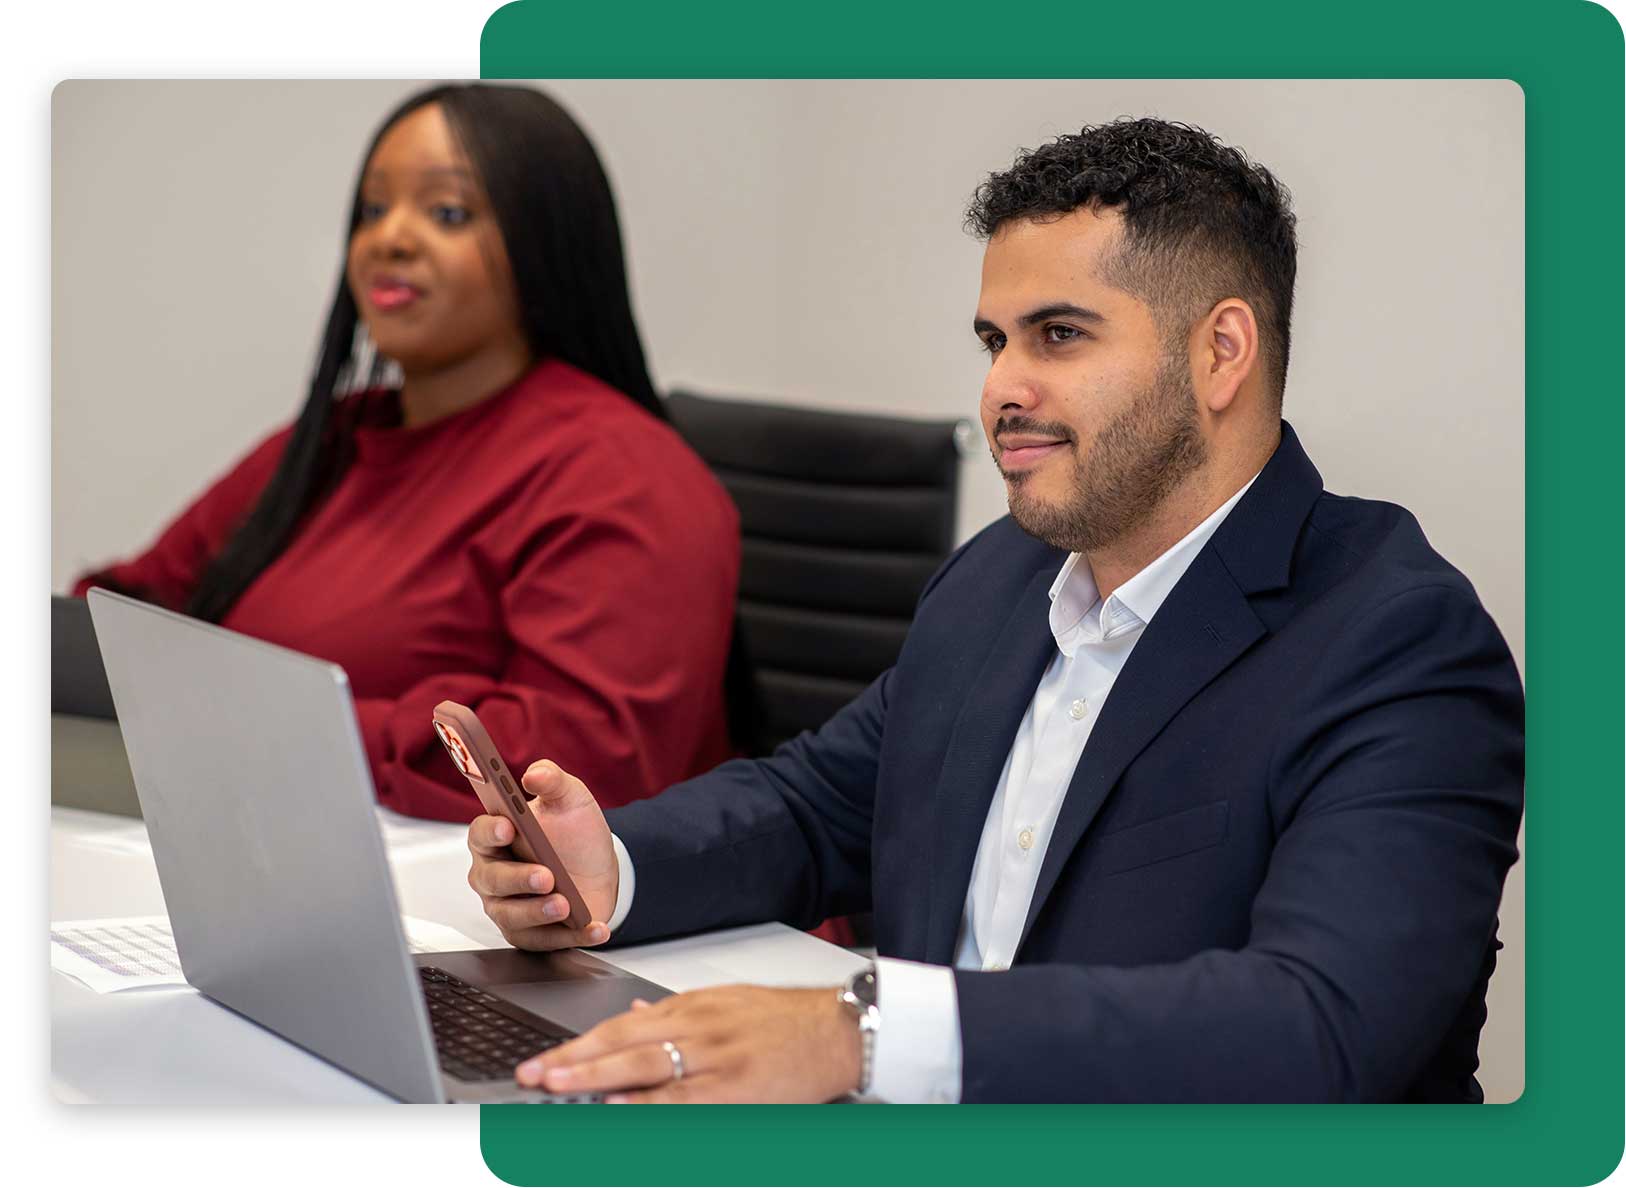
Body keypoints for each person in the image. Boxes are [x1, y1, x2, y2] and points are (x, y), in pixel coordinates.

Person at [464, 118, 1525, 1103]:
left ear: (1221, 353)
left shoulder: (1400, 643)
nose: (1002, 389)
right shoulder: (1000, 578)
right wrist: (616, 867)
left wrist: (862, 1036)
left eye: (1058, 335)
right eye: (994, 341)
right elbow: (821, 806)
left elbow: (1324, 1025)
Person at [73, 84, 740, 822]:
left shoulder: (624, 474)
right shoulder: (334, 437)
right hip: (270, 832)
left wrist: (261, 720)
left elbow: (574, 766)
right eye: (372, 210)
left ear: (545, 244)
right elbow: (126, 614)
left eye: (447, 212)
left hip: (512, 885)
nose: (389, 239)